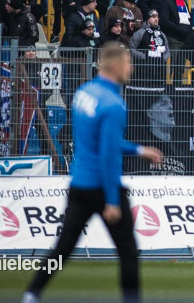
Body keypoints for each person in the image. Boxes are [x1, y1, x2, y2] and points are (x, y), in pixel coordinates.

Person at [22, 44, 163, 303]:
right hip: (102, 185)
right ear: (116, 65)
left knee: (63, 248)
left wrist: (140, 149)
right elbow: (108, 154)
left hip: (80, 183)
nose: (131, 68)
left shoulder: (84, 93)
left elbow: (97, 141)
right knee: (128, 252)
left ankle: (31, 294)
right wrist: (111, 199)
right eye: (128, 63)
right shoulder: (114, 104)